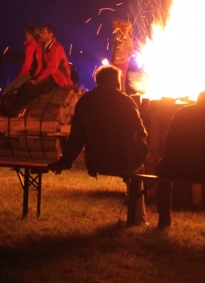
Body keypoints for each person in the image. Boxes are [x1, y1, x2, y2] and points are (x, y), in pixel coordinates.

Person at [48, 65, 148, 221]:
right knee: (138, 167)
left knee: (133, 163)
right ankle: (137, 216)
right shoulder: (126, 101)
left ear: (98, 82)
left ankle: (130, 201)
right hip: (125, 161)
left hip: (97, 162)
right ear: (115, 81)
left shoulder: (85, 101)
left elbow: (76, 138)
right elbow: (142, 132)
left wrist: (65, 160)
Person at [155, 90, 205, 236]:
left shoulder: (181, 112)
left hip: (178, 167)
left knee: (162, 171)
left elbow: (168, 142)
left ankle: (163, 219)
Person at [7, 25, 72, 115]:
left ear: (50, 34)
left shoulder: (57, 47)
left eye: (43, 32)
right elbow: (41, 65)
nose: (41, 34)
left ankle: (15, 107)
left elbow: (52, 68)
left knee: (37, 87)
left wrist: (38, 79)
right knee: (28, 84)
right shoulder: (43, 47)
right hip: (50, 74)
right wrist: (35, 77)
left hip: (58, 76)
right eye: (41, 32)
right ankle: (16, 106)